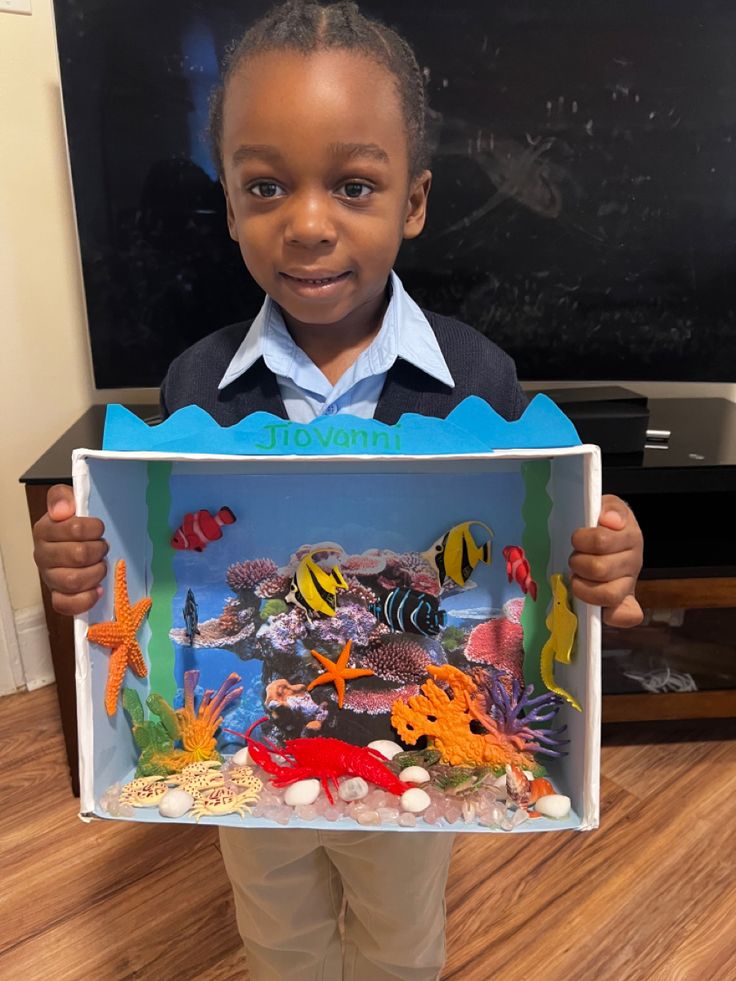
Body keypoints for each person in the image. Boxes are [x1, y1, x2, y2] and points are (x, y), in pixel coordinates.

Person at [32, 3, 644, 978]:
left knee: (399, 934)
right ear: (229, 206)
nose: (308, 223)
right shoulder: (195, 385)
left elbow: (553, 541)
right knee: (274, 924)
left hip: (411, 731)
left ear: (414, 201)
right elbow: (149, 567)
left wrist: (611, 555)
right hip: (254, 736)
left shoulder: (476, 377)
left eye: (353, 185)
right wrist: (82, 568)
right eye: (266, 185)